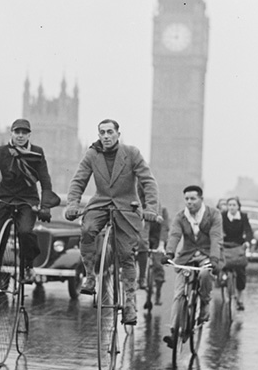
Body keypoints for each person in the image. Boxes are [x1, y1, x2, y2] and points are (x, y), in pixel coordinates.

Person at [64, 119, 160, 325]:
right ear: (98, 135)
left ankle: (130, 303)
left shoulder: (132, 153)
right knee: (88, 229)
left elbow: (148, 181)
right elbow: (78, 180)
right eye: (102, 133)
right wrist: (72, 203)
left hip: (126, 207)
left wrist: (150, 208)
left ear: (118, 134)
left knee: (126, 254)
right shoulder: (92, 154)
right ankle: (90, 276)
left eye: (110, 132)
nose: (106, 136)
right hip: (100, 204)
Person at [0, 118, 60, 304]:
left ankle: (27, 265)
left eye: (24, 133)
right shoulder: (1, 152)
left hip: (27, 200)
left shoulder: (37, 153)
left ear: (29, 135)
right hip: (5, 199)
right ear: (11, 133)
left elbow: (45, 180)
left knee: (25, 232)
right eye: (17, 132)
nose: (20, 136)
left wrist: (45, 206)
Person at [163, 185, 223, 347]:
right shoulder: (181, 217)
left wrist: (215, 259)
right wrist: (169, 253)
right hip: (187, 257)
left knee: (204, 275)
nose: (189, 202)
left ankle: (204, 306)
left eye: (193, 199)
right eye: (187, 199)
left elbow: (216, 237)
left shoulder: (213, 215)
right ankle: (174, 332)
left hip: (207, 255)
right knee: (179, 292)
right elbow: (175, 235)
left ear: (201, 199)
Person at [221, 195, 254, 310]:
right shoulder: (223, 216)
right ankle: (225, 287)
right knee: (221, 266)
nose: (231, 207)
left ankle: (240, 297)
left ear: (238, 207)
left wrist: (247, 242)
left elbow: (248, 230)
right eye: (229, 205)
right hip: (225, 245)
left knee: (241, 270)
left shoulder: (243, 217)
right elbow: (218, 229)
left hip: (239, 245)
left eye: (234, 205)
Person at [137, 204, 169, 306]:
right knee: (136, 258)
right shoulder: (141, 209)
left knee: (157, 263)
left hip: (157, 240)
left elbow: (165, 228)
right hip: (143, 239)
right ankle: (138, 280)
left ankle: (158, 292)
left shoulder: (163, 210)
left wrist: (161, 244)